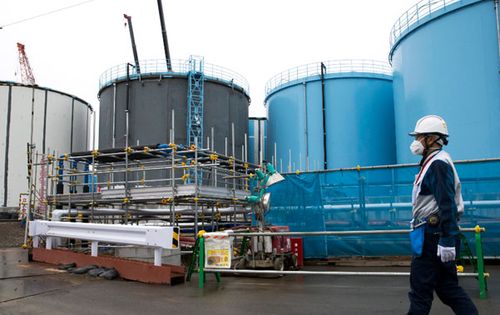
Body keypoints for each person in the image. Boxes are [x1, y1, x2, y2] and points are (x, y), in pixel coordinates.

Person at [407, 115, 478, 315]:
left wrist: (447, 239)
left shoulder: (437, 164)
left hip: (433, 235)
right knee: (448, 289)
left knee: (420, 293)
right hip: (434, 233)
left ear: (432, 139)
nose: (416, 141)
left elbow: (447, 204)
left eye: (420, 137)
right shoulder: (433, 162)